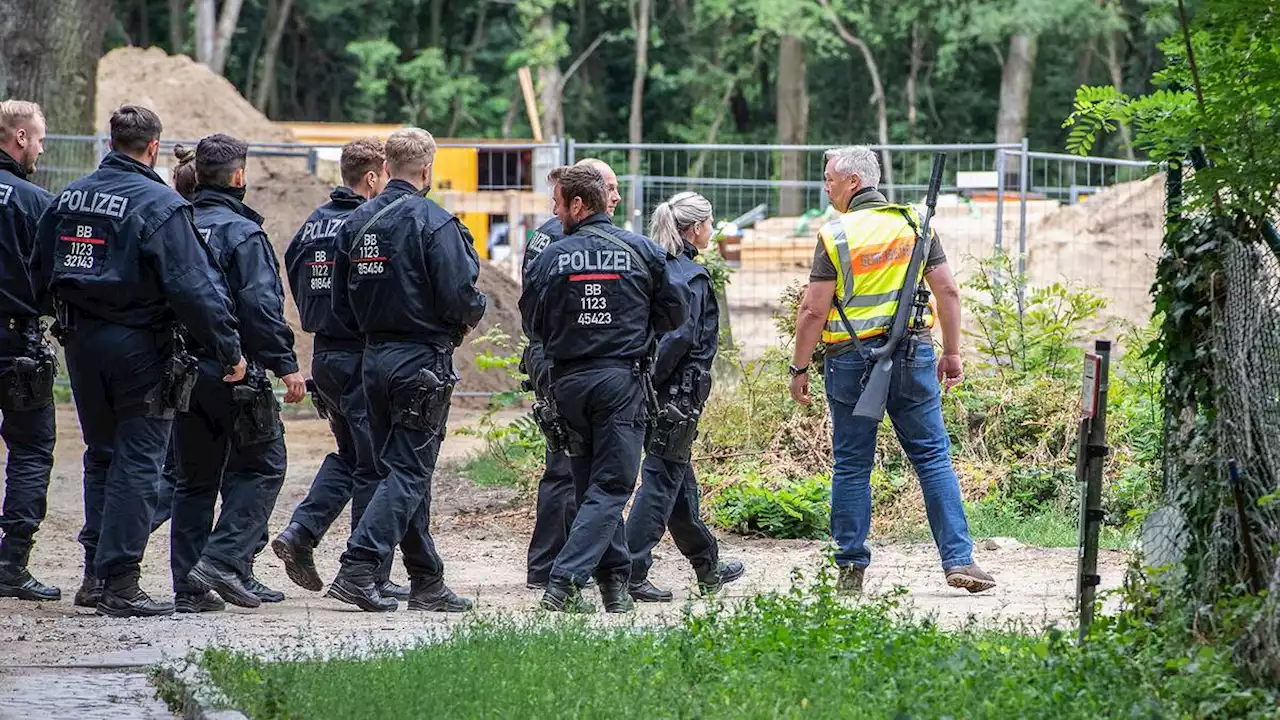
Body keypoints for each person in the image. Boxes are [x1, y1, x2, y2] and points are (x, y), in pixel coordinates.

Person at [31, 105, 245, 617]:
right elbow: (194, 288)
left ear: (111, 142)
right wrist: (227, 349)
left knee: (101, 455)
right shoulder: (161, 204)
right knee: (140, 461)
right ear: (153, 148)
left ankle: (93, 575)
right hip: (139, 348)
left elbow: (39, 269)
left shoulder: (68, 198)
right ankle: (121, 583)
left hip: (80, 342)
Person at [788, 145, 995, 595]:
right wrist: (953, 353)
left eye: (829, 178)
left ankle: (850, 569)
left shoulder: (836, 235)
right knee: (933, 458)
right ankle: (959, 559)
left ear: (853, 183)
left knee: (852, 464)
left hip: (849, 360)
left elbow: (812, 311)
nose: (825, 186)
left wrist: (799, 366)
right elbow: (948, 293)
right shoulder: (915, 226)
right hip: (915, 356)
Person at [326, 127, 486, 612]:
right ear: (427, 170)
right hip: (420, 363)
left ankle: (426, 581)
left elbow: (340, 304)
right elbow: (460, 297)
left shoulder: (355, 225)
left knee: (397, 468)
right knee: (410, 471)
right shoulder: (434, 223)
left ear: (387, 166)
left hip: (372, 360)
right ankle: (358, 567)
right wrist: (469, 315)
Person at [520, 163, 689, 613]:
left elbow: (533, 322)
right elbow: (676, 313)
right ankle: (563, 581)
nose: (554, 215)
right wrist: (631, 331)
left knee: (589, 487)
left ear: (578, 204)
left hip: (569, 385)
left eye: (558, 205)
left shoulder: (552, 256)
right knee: (611, 487)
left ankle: (615, 586)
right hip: (621, 382)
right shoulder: (642, 251)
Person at [170, 133, 305, 612]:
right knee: (263, 464)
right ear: (239, 176)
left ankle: (190, 587)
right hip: (235, 369)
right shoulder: (242, 233)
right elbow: (260, 309)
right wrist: (287, 366)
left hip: (180, 371)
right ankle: (224, 559)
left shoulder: (176, 223)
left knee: (194, 480)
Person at [272, 138, 408, 601]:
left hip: (324, 355)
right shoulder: (365, 223)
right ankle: (368, 575)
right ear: (372, 178)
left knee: (351, 457)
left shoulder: (312, 224)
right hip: (358, 355)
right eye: (386, 176)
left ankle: (301, 533)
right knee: (377, 466)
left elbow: (293, 271)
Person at [624, 191, 744, 602]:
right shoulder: (691, 278)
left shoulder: (655, 267)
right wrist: (655, 386)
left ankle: (706, 566)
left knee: (677, 479)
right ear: (695, 229)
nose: (711, 230)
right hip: (676, 394)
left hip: (651, 388)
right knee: (660, 480)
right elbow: (678, 340)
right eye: (709, 223)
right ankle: (631, 570)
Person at [522, 158, 623, 590]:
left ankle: (568, 564)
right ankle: (549, 567)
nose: (616, 197)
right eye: (610, 187)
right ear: (586, 195)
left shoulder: (558, 236)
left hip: (561, 360)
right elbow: (538, 312)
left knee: (573, 468)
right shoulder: (557, 239)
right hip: (562, 362)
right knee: (566, 468)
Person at [0, 100, 58, 601]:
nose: (40, 148)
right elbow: (54, 278)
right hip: (14, 341)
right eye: (38, 139)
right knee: (31, 448)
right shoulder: (34, 201)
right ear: (19, 138)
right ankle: (12, 562)